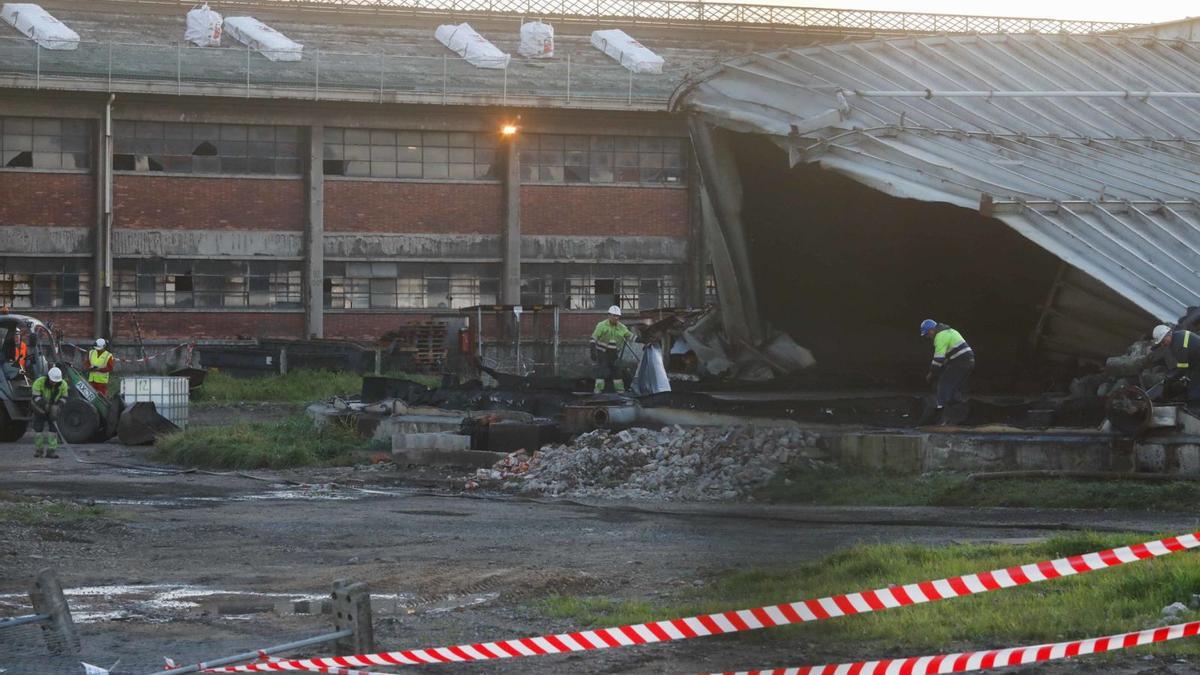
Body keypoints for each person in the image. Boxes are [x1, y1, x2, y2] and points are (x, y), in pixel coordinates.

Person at [920, 319, 975, 421]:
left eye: (927, 334)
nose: (928, 337)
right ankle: (959, 413)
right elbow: (947, 357)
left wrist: (931, 373)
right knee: (953, 389)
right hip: (968, 361)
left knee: (943, 385)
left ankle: (941, 416)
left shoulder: (940, 337)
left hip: (960, 362)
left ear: (932, 330)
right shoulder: (950, 331)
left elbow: (938, 359)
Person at [591, 305, 633, 394]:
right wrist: (592, 351)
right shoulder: (601, 325)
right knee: (602, 371)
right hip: (602, 352)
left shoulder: (621, 327)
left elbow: (630, 336)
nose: (616, 318)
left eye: (617, 316)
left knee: (617, 372)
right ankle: (598, 391)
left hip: (614, 354)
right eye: (614, 316)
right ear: (609, 315)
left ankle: (620, 391)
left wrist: (643, 340)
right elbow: (593, 339)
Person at [1152, 324, 1200, 402]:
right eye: (1161, 343)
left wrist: (1169, 379)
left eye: (1163, 341)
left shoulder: (1178, 344)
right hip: (1196, 364)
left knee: (1194, 394)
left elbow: (1182, 368)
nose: (1163, 344)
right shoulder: (1179, 335)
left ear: (1169, 333)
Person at [31, 366, 68, 459]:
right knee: (38, 430)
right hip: (39, 408)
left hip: (53, 408)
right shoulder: (39, 382)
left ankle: (51, 451)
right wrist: (45, 405)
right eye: (53, 381)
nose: (54, 383)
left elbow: (64, 397)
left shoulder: (63, 384)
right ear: (48, 377)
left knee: (53, 430)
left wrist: (58, 406)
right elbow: (36, 397)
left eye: (56, 382)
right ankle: (39, 450)